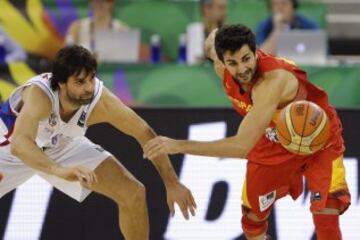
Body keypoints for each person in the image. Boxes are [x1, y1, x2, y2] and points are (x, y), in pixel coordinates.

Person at [143, 24, 350, 240]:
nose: (242, 69)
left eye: (246, 59)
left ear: (255, 51)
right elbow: (211, 44)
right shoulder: (220, 63)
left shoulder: (271, 81)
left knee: (326, 213)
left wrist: (178, 145)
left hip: (315, 136)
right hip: (271, 139)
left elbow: (242, 146)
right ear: (222, 62)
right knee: (253, 223)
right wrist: (213, 37)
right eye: (232, 63)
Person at [0, 45, 196, 240]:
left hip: (61, 145)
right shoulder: (40, 95)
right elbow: (20, 144)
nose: (89, 88)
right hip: (9, 151)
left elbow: (145, 133)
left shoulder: (101, 101)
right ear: (61, 82)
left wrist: (172, 182)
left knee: (133, 193)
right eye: (80, 82)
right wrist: (58, 170)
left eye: (91, 78)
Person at [65, 0, 149, 62]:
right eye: (95, 2)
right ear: (90, 3)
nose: (99, 5)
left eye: (103, 2)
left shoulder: (122, 28)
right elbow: (66, 58)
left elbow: (130, 59)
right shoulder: (77, 27)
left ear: (111, 4)